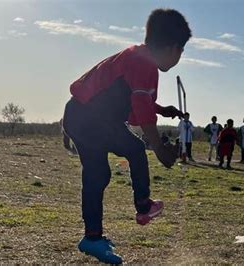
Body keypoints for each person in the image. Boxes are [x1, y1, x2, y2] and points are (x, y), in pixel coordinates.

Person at [62, 9, 191, 264]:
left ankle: (93, 238)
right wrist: (160, 149)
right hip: (92, 119)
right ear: (174, 47)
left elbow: (134, 96)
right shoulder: (145, 63)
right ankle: (143, 207)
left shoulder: (136, 57)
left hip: (82, 115)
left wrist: (161, 109)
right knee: (133, 150)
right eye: (181, 51)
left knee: (98, 175)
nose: (179, 57)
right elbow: (141, 108)